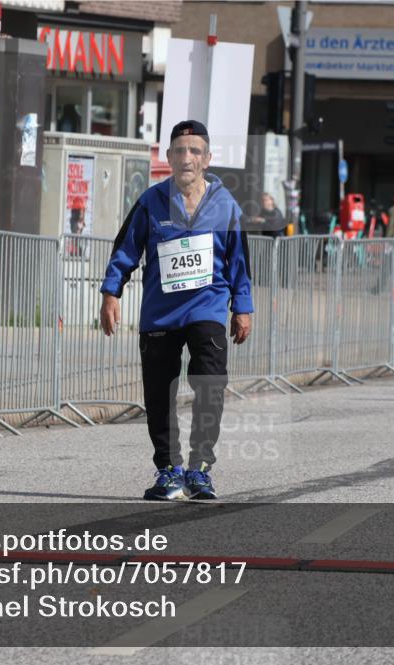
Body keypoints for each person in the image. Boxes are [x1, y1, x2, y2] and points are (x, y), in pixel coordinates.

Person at [99, 120, 253, 501]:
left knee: (209, 388)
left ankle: (199, 470)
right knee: (159, 396)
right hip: (160, 314)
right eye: (180, 151)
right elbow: (126, 250)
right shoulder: (150, 201)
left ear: (207, 158)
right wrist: (111, 293)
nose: (187, 158)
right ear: (168, 157)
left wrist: (242, 307)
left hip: (207, 309)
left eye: (195, 151)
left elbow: (239, 262)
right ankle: (169, 470)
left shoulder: (225, 206)